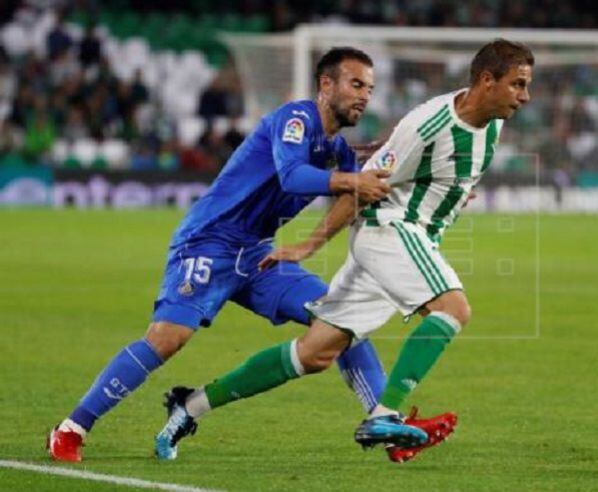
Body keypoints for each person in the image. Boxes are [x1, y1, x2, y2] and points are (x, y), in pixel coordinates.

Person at [47, 47, 456, 463]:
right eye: (355, 84)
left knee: (339, 322)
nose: (364, 96)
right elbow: (293, 176)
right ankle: (71, 428)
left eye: (369, 88)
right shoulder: (295, 120)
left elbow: (365, 194)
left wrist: (437, 195)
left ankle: (385, 425)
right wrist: (351, 178)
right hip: (209, 241)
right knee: (168, 338)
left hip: (259, 255)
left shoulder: (339, 151)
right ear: (325, 84)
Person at [158, 39, 533, 456]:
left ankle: (190, 405)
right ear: (487, 80)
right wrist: (307, 246)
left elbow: (445, 174)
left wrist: (453, 194)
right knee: (452, 308)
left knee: (314, 353)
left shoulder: (494, 123)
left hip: (410, 236)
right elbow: (361, 187)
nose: (525, 96)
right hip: (390, 229)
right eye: (517, 84)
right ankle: (384, 416)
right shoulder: (426, 126)